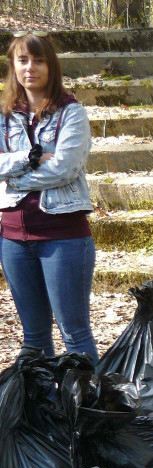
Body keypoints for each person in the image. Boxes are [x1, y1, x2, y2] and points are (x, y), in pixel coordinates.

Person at [0, 32, 97, 362]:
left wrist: (12, 177)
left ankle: (86, 397)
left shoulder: (72, 113)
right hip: (12, 240)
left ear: (51, 66)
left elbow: (64, 169)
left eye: (39, 60)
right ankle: (42, 398)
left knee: (75, 333)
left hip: (63, 237)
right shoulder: (3, 116)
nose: (31, 68)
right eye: (23, 60)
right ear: (13, 66)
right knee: (34, 338)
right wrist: (30, 159)